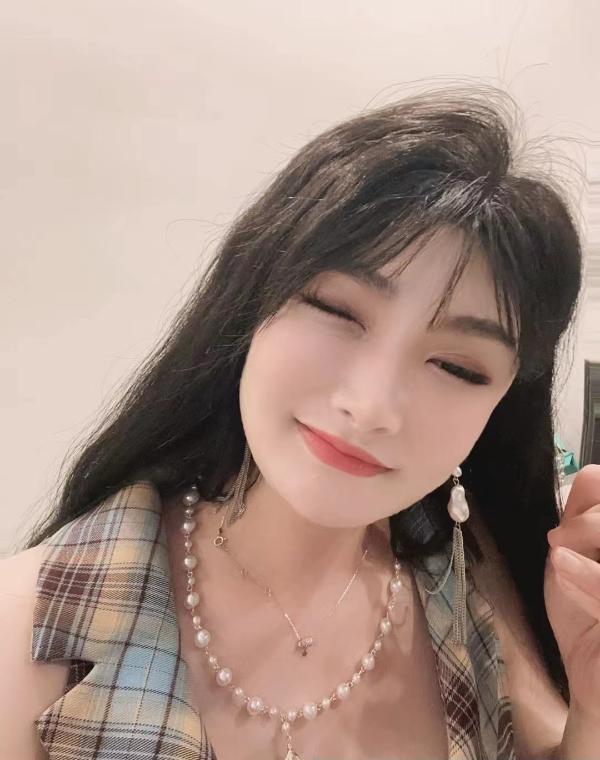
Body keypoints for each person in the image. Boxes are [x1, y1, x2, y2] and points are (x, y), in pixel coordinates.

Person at [1, 85, 599, 760]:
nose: (371, 405)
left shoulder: (468, 585)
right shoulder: (31, 628)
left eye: (456, 367)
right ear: (253, 300)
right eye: (338, 311)